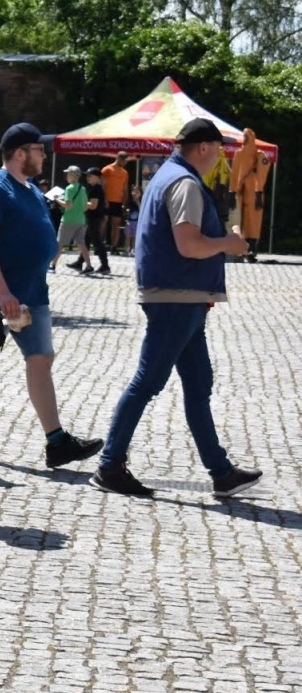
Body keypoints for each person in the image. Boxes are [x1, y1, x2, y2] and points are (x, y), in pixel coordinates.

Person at [91, 119, 262, 501]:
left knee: (199, 383)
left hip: (181, 298)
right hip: (175, 298)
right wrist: (227, 245)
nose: (220, 157)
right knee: (147, 382)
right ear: (203, 147)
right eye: (218, 149)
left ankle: (221, 472)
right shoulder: (184, 183)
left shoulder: (169, 175)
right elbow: (189, 245)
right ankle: (109, 464)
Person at [0, 123, 103, 467]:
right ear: (19, 153)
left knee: (41, 359)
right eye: (38, 150)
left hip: (33, 294)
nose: (44, 155)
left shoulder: (27, 188)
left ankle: (56, 441)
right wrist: (2, 294)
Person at [231, 128, 270, 262]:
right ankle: (242, 250)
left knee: (253, 222)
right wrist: (233, 191)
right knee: (241, 221)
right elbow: (234, 173)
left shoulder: (259, 155)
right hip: (242, 191)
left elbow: (262, 173)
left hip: (253, 191)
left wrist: (258, 191)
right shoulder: (239, 154)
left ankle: (251, 249)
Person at [57, 165, 91, 273]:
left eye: (68, 174)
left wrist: (57, 199)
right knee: (81, 244)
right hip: (81, 220)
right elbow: (85, 206)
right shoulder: (83, 188)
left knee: (59, 243)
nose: (66, 176)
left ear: (72, 175)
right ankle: (89, 266)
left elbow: (68, 205)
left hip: (68, 219)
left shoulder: (69, 188)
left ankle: (52, 265)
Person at [83, 167, 112, 275]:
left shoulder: (95, 189)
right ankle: (80, 261)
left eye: (90, 176)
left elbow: (93, 205)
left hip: (94, 218)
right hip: (94, 217)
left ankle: (105, 265)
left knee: (97, 242)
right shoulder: (96, 188)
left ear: (97, 177)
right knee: (85, 240)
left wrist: (80, 202)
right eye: (87, 176)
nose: (88, 178)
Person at [101, 151, 131, 251]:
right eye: (123, 160)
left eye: (126, 161)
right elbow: (103, 186)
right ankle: (99, 244)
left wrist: (125, 203)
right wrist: (104, 199)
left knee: (116, 225)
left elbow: (125, 188)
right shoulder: (107, 169)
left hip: (118, 202)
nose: (125, 163)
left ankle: (114, 247)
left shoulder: (125, 173)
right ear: (118, 158)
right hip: (107, 200)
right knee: (103, 222)